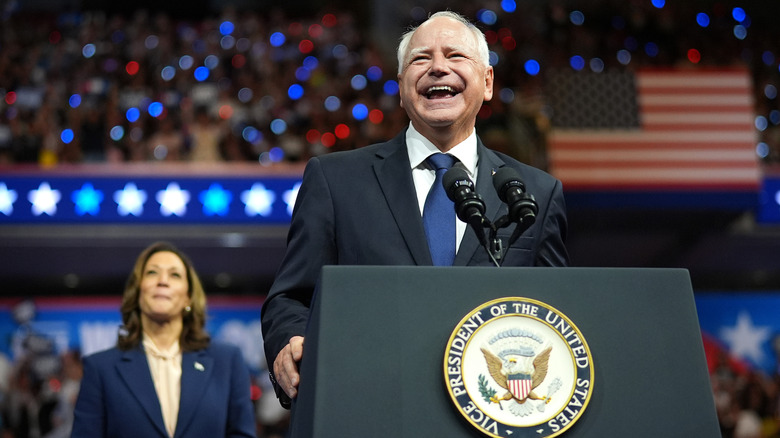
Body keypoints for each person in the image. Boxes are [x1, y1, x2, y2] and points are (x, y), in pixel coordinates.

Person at [260, 11, 569, 408]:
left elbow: (557, 312)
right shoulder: (335, 180)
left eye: (455, 56)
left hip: (494, 413)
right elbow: (291, 297)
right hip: (367, 405)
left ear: (487, 82)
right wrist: (289, 344)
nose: (438, 67)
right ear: (403, 87)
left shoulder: (535, 193)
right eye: (421, 59)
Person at [71, 242, 257, 438]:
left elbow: (242, 434)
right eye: (152, 273)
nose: (163, 281)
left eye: (175, 275)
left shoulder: (227, 361)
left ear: (188, 298)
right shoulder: (100, 368)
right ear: (137, 291)